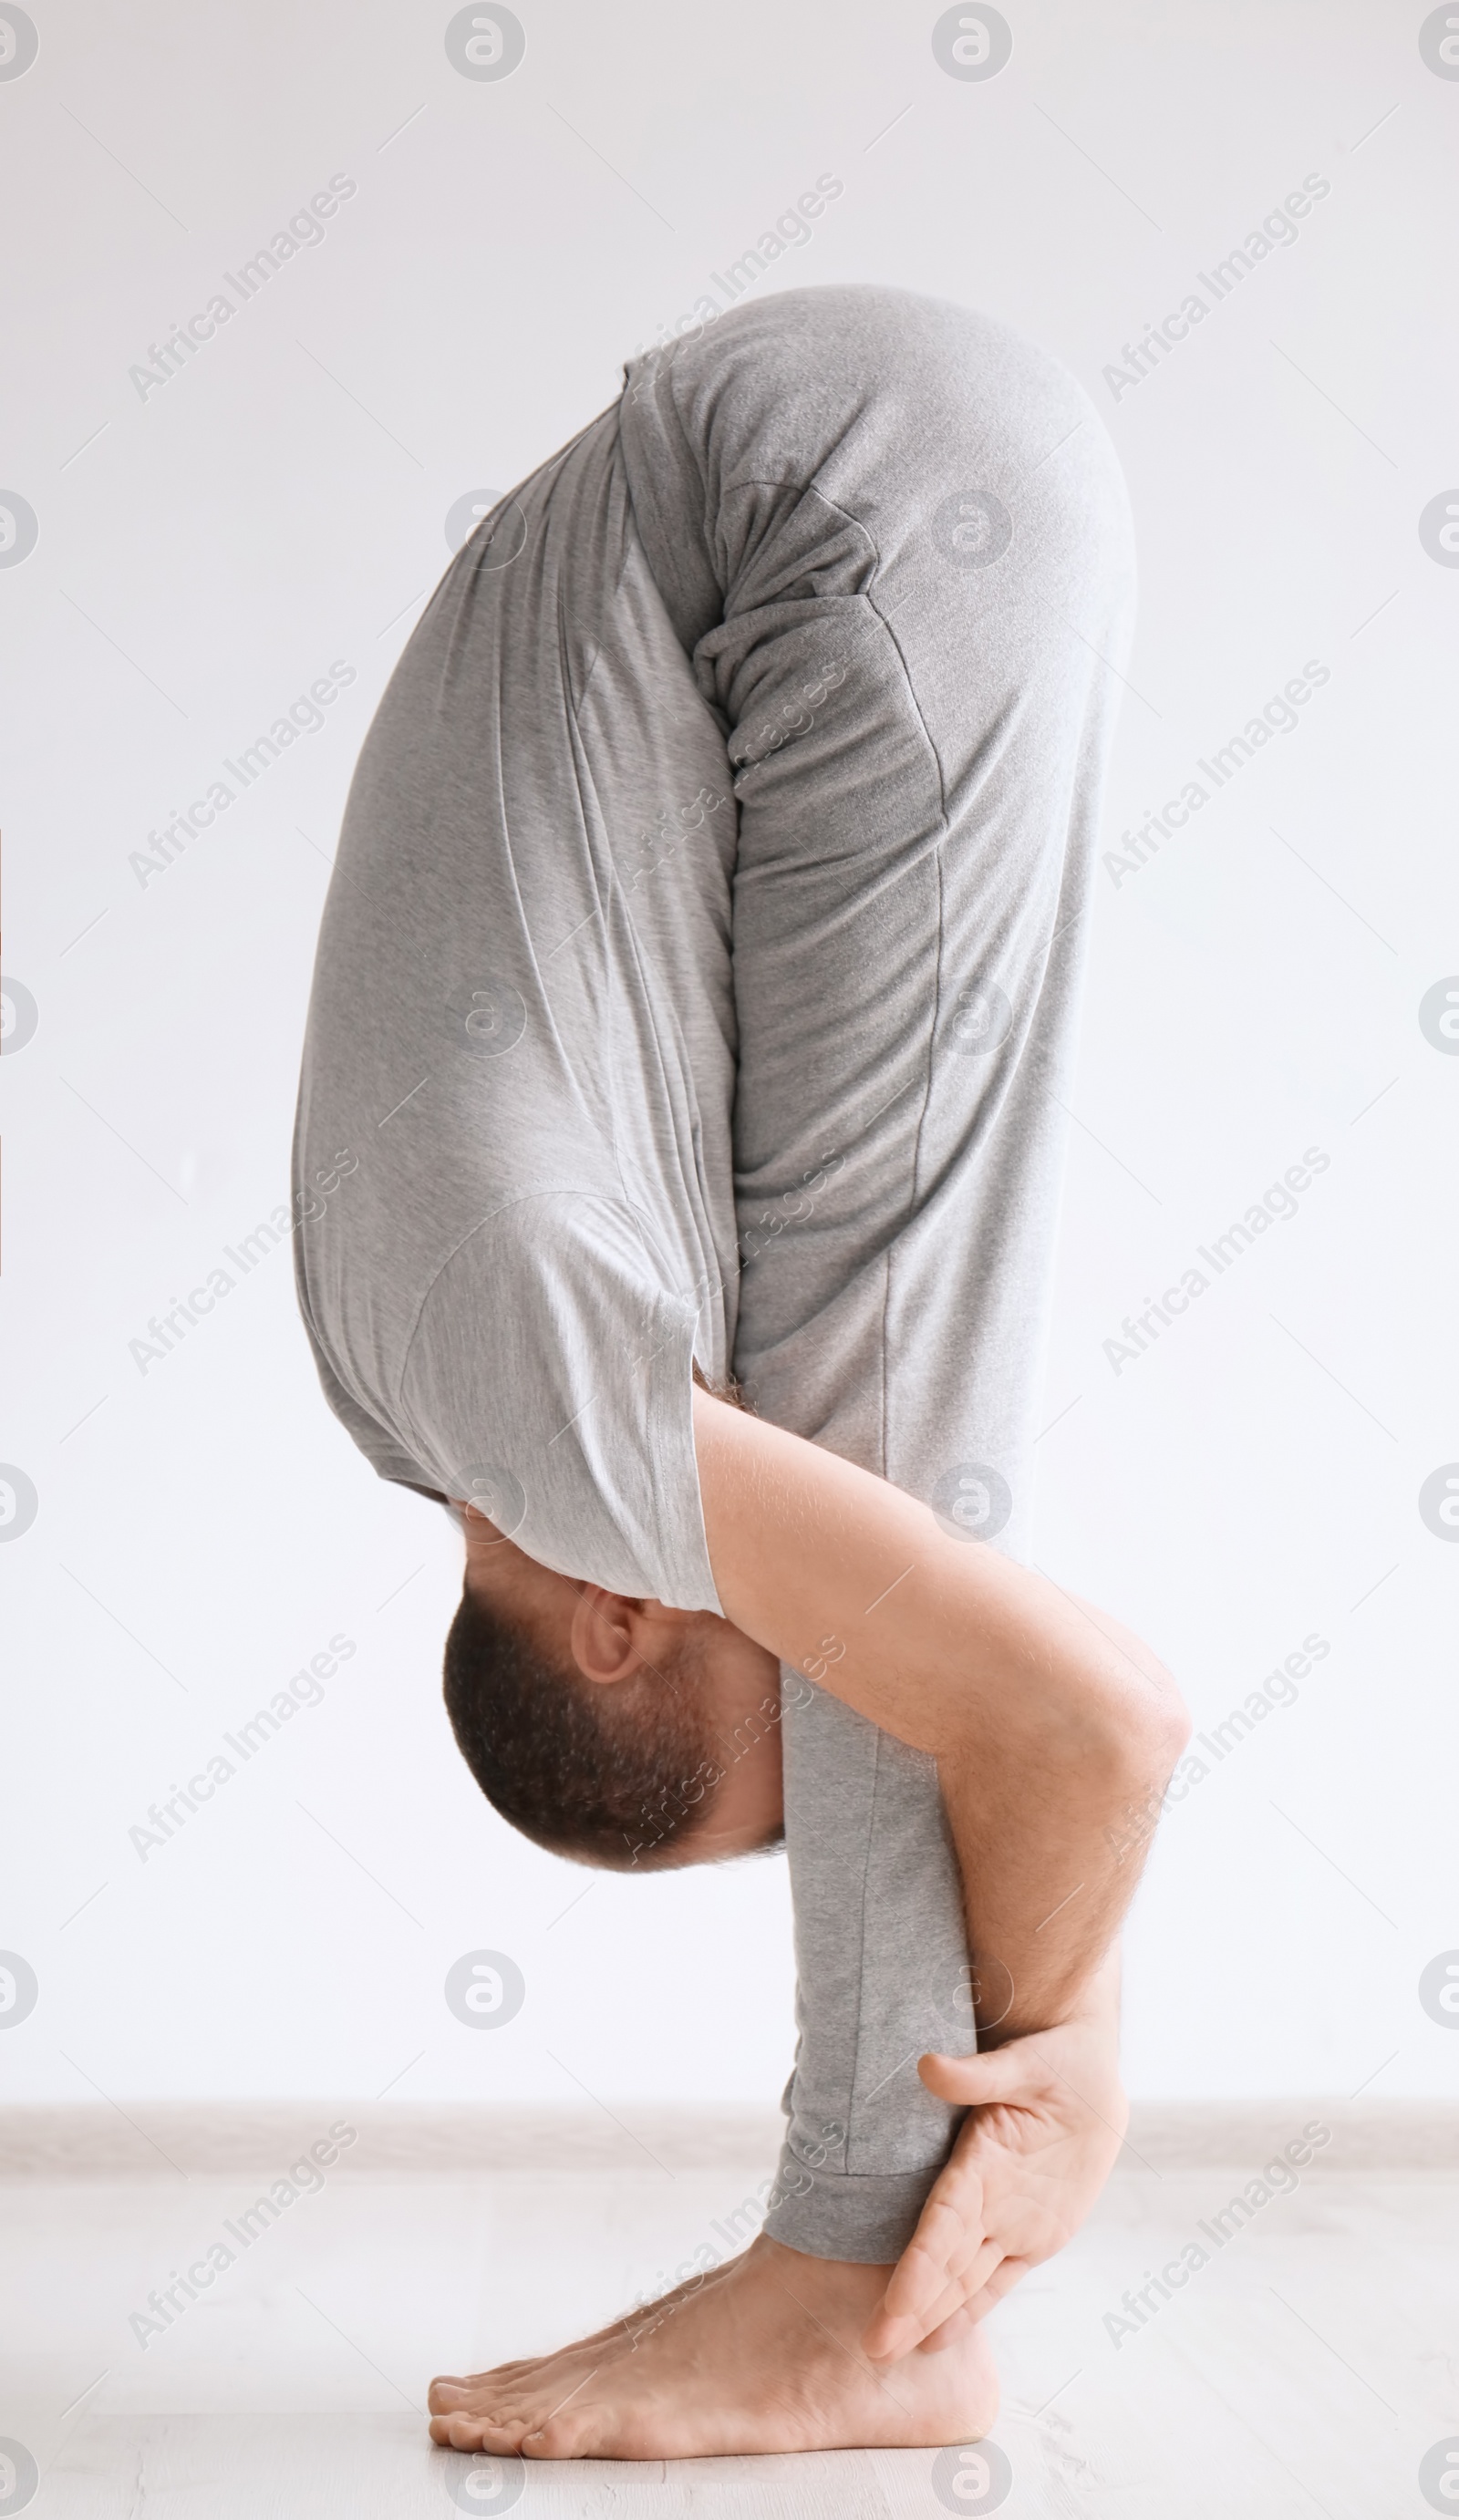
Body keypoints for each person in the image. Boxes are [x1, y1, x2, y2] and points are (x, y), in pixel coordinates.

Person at [291, 284, 1187, 2459]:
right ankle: (859, 2269)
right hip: (838, 499)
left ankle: (860, 2287)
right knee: (847, 1381)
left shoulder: (529, 1398)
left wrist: (1056, 2060)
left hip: (851, 499)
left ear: (609, 1615)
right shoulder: (401, 1360)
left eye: (790, 1679)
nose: (833, 1623)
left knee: (880, 1400)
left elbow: (1076, 1723)